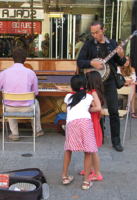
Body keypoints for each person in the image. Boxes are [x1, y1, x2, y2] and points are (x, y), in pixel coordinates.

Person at [77, 21, 126, 152]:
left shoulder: (113, 44)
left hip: (109, 81)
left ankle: (116, 141)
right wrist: (92, 62)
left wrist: (122, 56)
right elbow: (80, 61)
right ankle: (99, 136)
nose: (95, 35)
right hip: (94, 82)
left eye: (97, 32)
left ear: (103, 30)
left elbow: (120, 62)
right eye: (92, 33)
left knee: (114, 111)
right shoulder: (89, 45)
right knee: (96, 109)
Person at [0, 47, 44, 140]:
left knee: (9, 103)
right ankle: (37, 130)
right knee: (35, 102)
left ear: (12, 59)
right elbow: (35, 93)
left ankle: (15, 134)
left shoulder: (4, 73)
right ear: (26, 59)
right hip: (27, 109)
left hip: (9, 109)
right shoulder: (31, 73)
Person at [62, 75, 101, 190]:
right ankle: (86, 181)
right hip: (85, 122)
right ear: (85, 86)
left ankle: (64, 176)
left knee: (68, 149)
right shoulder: (89, 97)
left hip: (71, 123)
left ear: (71, 86)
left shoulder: (68, 96)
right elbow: (94, 108)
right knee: (88, 150)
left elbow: (67, 109)